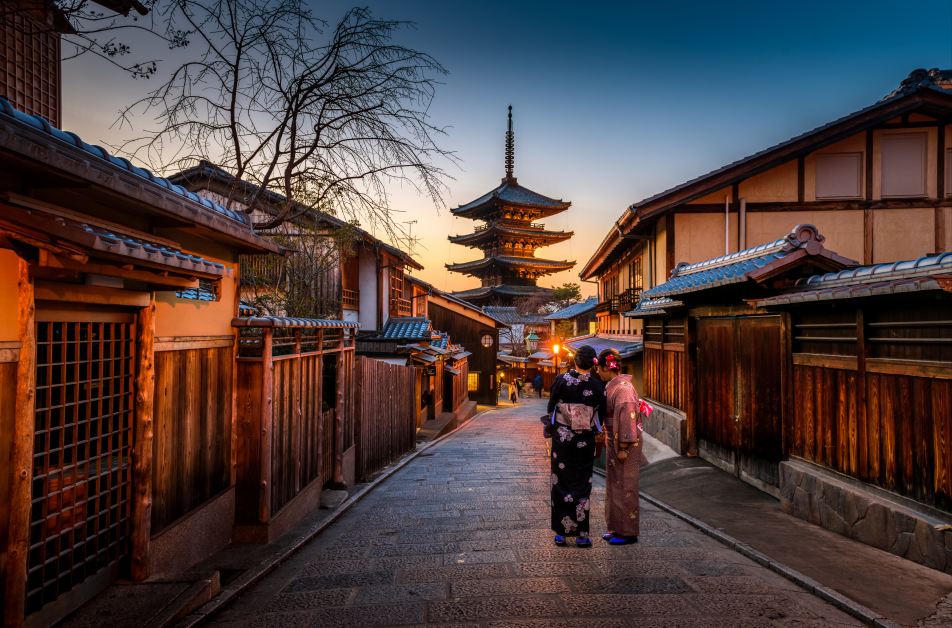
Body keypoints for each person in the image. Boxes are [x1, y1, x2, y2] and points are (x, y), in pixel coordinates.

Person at [544, 345, 606, 548]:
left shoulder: (561, 380)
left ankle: (561, 533)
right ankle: (581, 535)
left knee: (560, 482)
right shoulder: (598, 387)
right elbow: (601, 414)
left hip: (562, 440)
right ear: (593, 363)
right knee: (582, 483)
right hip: (584, 440)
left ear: (575, 361)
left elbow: (551, 406)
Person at [596, 347, 641, 544]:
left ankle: (628, 532)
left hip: (625, 444)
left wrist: (623, 447)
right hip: (614, 441)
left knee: (626, 486)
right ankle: (616, 527)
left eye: (599, 367)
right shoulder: (614, 386)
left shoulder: (622, 388)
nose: (597, 371)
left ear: (608, 366)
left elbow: (627, 419)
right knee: (614, 484)